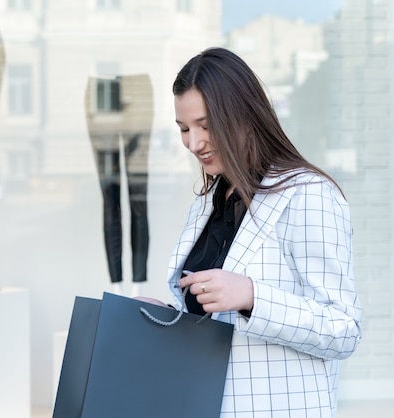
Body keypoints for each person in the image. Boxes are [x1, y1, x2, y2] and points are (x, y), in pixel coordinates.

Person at [137, 47, 362, 417]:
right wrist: (173, 314)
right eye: (184, 129)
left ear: (243, 116)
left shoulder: (308, 194)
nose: (194, 143)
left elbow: (343, 328)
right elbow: (214, 318)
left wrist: (253, 297)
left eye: (206, 125)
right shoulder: (209, 201)